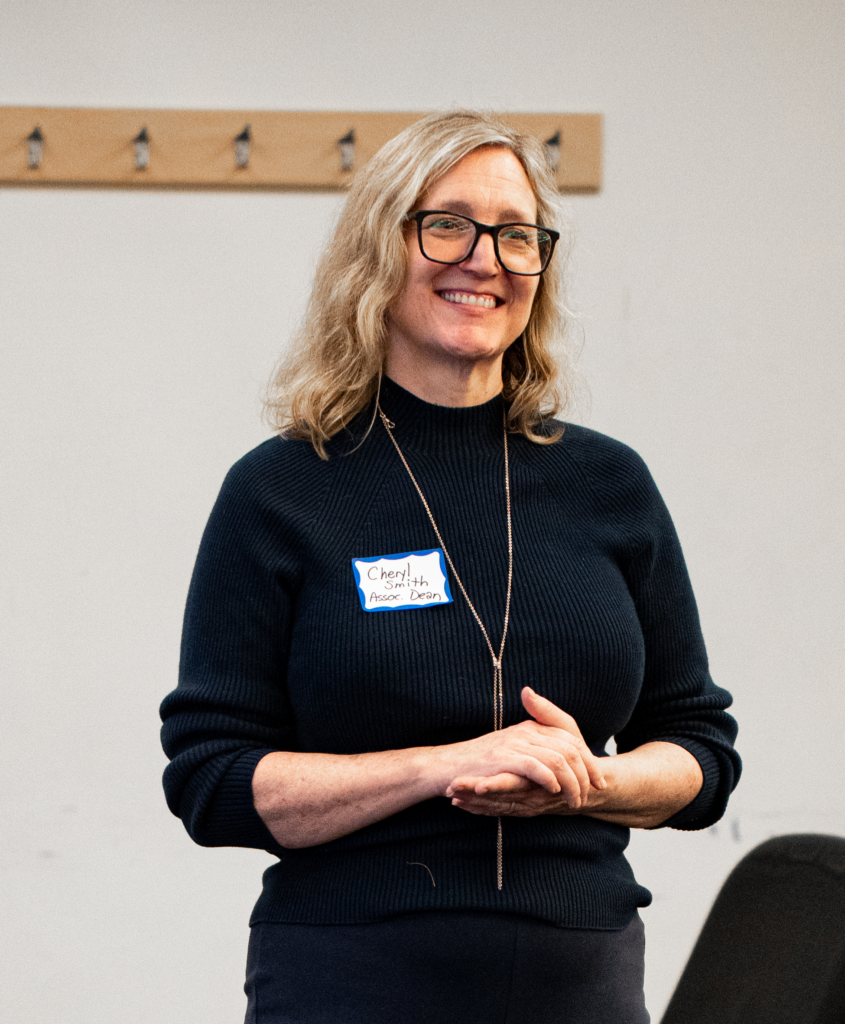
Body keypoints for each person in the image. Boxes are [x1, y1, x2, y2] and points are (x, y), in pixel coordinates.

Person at [160, 110, 740, 1024]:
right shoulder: (282, 491)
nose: (484, 259)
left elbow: (701, 753)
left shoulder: (608, 482)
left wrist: (586, 781)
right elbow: (212, 781)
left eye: (516, 236)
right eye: (447, 224)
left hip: (578, 973)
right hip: (349, 973)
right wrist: (445, 766)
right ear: (378, 252)